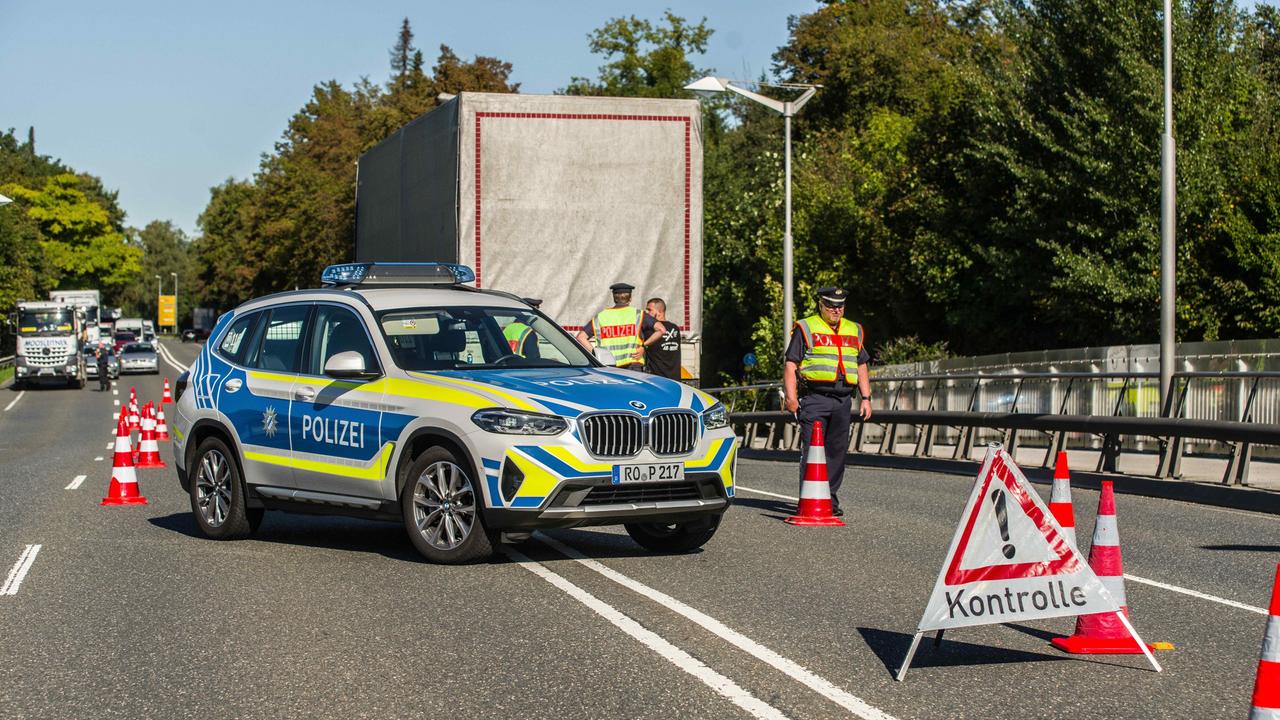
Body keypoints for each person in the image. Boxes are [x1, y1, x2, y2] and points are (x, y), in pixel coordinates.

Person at [782, 287, 872, 517]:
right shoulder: (806, 327)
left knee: (836, 451)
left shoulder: (854, 329)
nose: (836, 310)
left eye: (840, 306)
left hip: (843, 400)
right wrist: (791, 398)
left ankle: (829, 498)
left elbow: (861, 365)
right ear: (821, 305)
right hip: (815, 398)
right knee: (812, 449)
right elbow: (791, 364)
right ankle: (809, 497)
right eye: (831, 305)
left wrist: (866, 398)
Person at [575, 282, 643, 368]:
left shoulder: (601, 316)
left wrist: (597, 355)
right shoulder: (638, 314)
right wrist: (643, 347)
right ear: (630, 298)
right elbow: (660, 329)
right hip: (632, 366)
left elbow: (580, 337)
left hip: (609, 366)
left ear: (614, 298)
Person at [641, 297, 682, 380]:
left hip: (657, 380)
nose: (647, 312)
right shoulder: (675, 328)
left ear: (659, 312)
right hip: (675, 379)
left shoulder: (650, 330)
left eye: (649, 310)